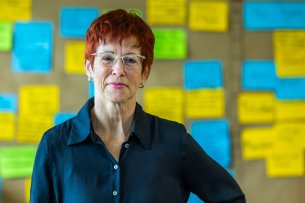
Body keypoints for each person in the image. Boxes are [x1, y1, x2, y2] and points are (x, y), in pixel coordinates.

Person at [30, 9, 246, 203]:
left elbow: (231, 198)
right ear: (89, 68)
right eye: (107, 58)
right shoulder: (54, 145)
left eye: (131, 60)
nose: (118, 69)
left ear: (145, 72)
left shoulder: (173, 141)